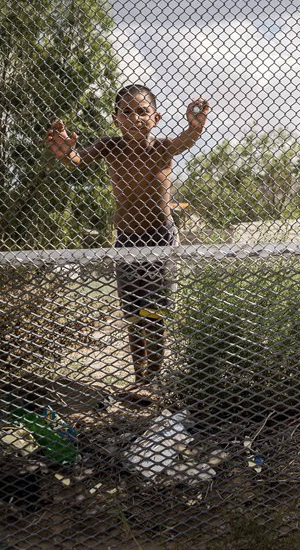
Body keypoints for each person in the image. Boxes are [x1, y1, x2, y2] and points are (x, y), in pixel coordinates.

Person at [46, 85, 209, 400]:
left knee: (156, 311)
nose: (135, 117)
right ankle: (139, 377)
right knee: (133, 311)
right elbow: (79, 159)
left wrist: (195, 127)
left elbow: (183, 142)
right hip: (127, 240)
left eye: (142, 111)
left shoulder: (161, 148)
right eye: (127, 112)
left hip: (160, 237)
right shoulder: (110, 147)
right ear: (116, 118)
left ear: (156, 117)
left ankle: (154, 380)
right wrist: (67, 153)